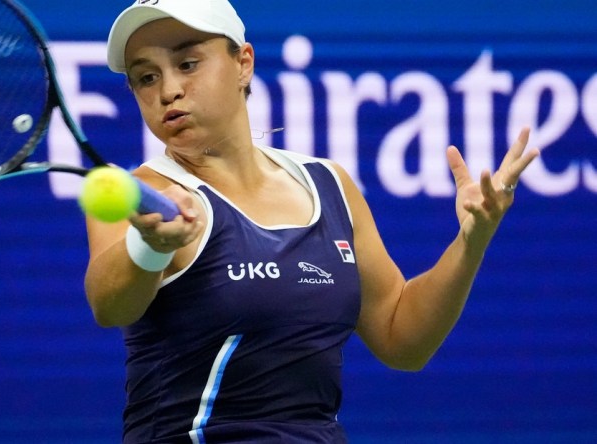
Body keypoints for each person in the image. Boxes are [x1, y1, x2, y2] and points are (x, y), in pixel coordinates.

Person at [83, 0, 540, 442]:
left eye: (187, 64)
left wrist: (471, 239)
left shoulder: (329, 184)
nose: (167, 91)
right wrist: (151, 245)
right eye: (146, 77)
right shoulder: (145, 197)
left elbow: (404, 340)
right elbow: (111, 305)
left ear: (243, 63)